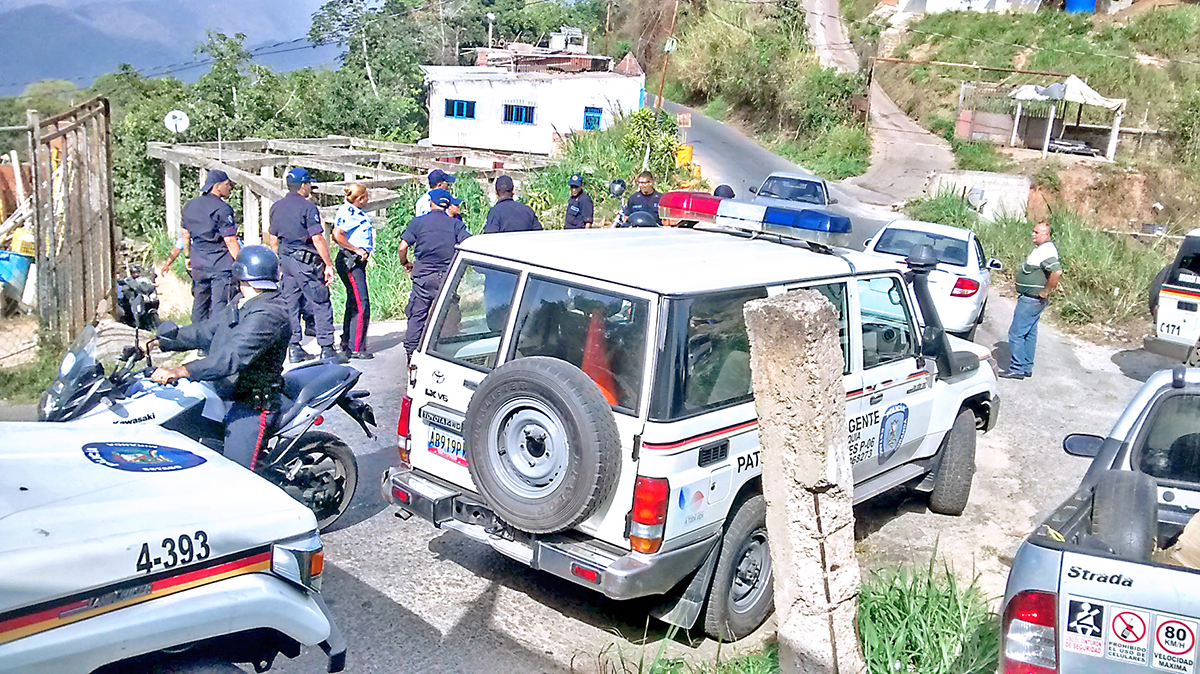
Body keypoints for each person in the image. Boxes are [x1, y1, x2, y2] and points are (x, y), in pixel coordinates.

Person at [151, 245, 291, 469]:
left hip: (252, 404)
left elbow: (231, 357)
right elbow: (206, 331)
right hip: (225, 390)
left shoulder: (269, 313)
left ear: (240, 275)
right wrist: (160, 342)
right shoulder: (242, 302)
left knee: (235, 473)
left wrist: (182, 370)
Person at [268, 167, 339, 364]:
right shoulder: (308, 208)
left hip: (286, 261)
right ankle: (326, 347)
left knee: (290, 304)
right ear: (302, 185)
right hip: (306, 261)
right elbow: (317, 237)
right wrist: (328, 264)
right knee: (320, 301)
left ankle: (294, 348)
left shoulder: (276, 207)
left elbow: (273, 237)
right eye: (309, 184)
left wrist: (278, 262)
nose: (310, 188)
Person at [399, 188, 471, 359]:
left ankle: (411, 355)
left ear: (431, 202)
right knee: (449, 317)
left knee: (417, 316)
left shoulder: (418, 222)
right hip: (447, 278)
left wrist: (405, 263)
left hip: (423, 277)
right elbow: (468, 244)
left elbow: (402, 247)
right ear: (447, 205)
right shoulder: (455, 224)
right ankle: (446, 354)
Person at [1002, 221, 1062, 380]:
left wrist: (1045, 290)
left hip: (1031, 299)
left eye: (1036, 232)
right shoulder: (1042, 249)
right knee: (1029, 333)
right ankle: (1026, 366)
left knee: (1016, 333)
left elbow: (1056, 272)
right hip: (1031, 299)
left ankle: (1017, 368)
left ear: (1046, 235)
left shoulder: (1047, 250)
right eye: (1033, 231)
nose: (1032, 234)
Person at [182, 169, 240, 324]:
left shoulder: (189, 206)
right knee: (219, 306)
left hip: (198, 264)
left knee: (199, 304)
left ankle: (198, 342)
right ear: (217, 186)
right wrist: (241, 262)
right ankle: (217, 342)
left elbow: (185, 234)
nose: (230, 188)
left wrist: (187, 256)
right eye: (227, 185)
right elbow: (230, 240)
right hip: (220, 265)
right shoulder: (223, 208)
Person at [333, 183, 375, 360]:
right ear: (360, 198)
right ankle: (356, 346)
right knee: (361, 303)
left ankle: (347, 340)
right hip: (350, 261)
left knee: (353, 301)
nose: (367, 200)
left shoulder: (355, 212)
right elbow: (338, 234)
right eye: (365, 197)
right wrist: (356, 249)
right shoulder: (348, 213)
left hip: (357, 262)